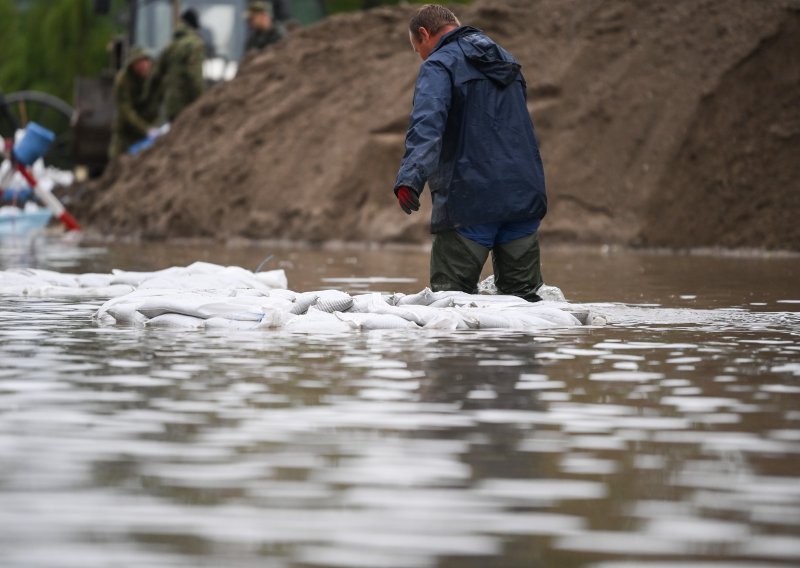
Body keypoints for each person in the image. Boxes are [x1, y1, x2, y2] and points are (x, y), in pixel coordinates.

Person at [393, 4, 548, 302]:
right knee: (526, 307)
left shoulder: (439, 64)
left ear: (425, 34)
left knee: (450, 306)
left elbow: (427, 125)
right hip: (524, 197)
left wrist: (410, 179)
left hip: (470, 200)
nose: (421, 56)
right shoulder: (507, 60)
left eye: (417, 49)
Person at [146, 8, 206, 122]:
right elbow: (195, 77)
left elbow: (155, 75)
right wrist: (202, 103)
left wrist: (146, 98)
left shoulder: (171, 45)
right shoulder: (195, 44)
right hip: (188, 107)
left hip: (171, 106)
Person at [109, 46, 156, 160]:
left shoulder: (154, 75)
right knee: (117, 161)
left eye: (146, 61)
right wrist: (145, 129)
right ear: (133, 65)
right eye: (139, 62)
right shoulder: (123, 81)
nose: (144, 65)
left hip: (147, 125)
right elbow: (126, 111)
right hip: (126, 131)